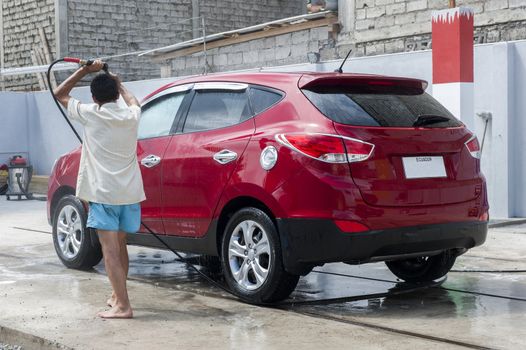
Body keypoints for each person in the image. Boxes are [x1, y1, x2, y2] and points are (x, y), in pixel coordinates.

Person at [54, 60, 145, 319]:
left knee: (109, 251)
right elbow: (134, 101)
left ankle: (123, 306)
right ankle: (118, 296)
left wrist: (85, 70)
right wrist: (118, 82)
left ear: (94, 98)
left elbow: (59, 93)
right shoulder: (130, 116)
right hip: (128, 194)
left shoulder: (91, 114)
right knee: (120, 245)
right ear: (117, 94)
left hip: (104, 194)